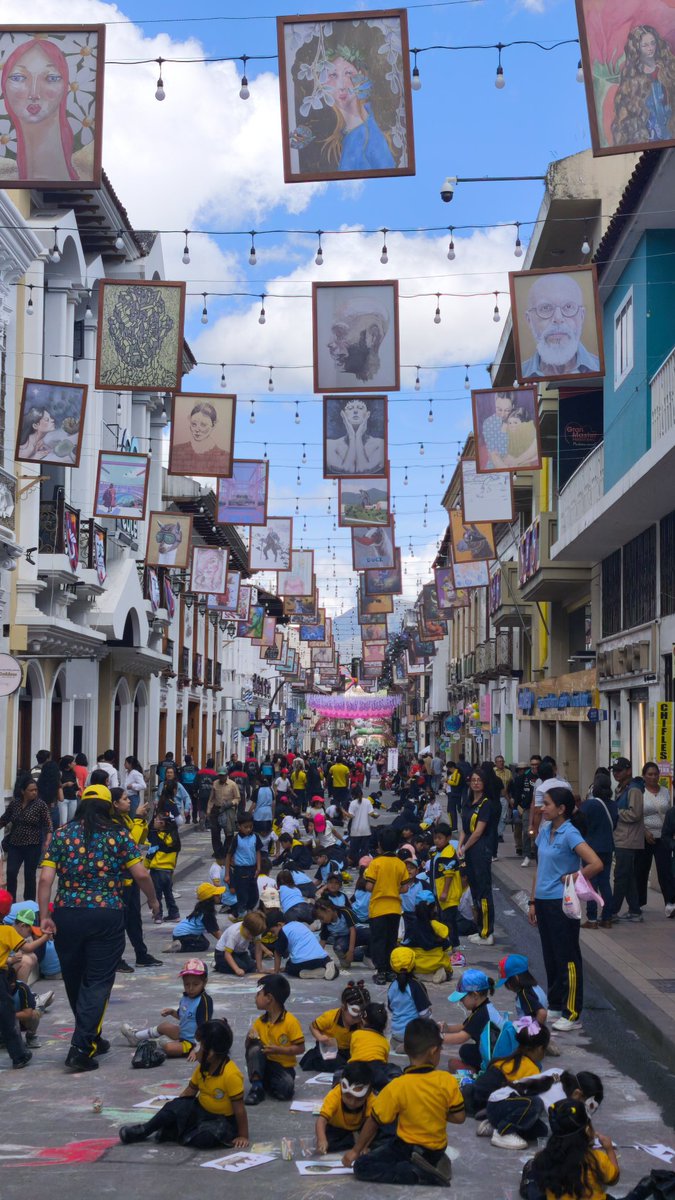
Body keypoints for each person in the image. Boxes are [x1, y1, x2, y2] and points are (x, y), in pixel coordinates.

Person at [37, 784, 160, 1072]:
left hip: (67, 913)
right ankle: (80, 1048)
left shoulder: (62, 834)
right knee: (98, 981)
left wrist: (45, 915)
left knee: (74, 978)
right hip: (106, 914)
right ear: (108, 807)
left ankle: (92, 1035)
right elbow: (140, 873)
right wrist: (153, 901)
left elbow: (44, 880)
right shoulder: (118, 834)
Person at [344, 1016, 465, 1185]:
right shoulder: (447, 1080)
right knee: (392, 1147)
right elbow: (459, 1118)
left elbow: (374, 1120)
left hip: (407, 1147)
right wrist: (435, 1109)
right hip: (436, 1149)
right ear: (433, 1051)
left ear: (406, 1050)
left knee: (363, 1166)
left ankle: (418, 1174)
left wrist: (356, 1150)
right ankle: (434, 1163)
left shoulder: (398, 1085)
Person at [528, 788, 602, 1033]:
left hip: (563, 904)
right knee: (550, 956)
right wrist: (532, 901)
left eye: (547, 804)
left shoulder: (570, 833)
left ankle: (572, 1012)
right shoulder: (545, 830)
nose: (542, 808)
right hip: (543, 901)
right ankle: (557, 1004)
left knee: (567, 957)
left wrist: (575, 876)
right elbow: (539, 868)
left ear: (561, 809)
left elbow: (596, 863)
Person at [119, 1018, 249, 1148]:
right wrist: (176, 1109)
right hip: (201, 1111)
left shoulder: (231, 1074)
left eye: (199, 1046)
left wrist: (243, 1135)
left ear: (211, 1053)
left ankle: (174, 1132)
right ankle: (144, 1130)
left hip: (222, 1120)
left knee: (206, 1139)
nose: (194, 1050)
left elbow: (239, 1109)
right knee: (174, 1107)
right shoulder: (202, 1067)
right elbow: (189, 1092)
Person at [0, 38, 96, 183]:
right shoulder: (5, 174)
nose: (34, 93)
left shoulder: (86, 163)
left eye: (51, 78)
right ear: (4, 86)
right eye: (18, 77)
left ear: (66, 86)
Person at [111, 787, 162, 970]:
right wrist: (139, 819)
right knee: (121, 921)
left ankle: (141, 953)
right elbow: (130, 842)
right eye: (125, 799)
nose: (129, 801)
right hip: (120, 878)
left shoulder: (125, 818)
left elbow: (138, 839)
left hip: (131, 876)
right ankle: (116, 958)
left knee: (134, 918)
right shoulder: (114, 822)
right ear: (115, 804)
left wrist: (142, 821)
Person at [528, 1098, 619, 1200]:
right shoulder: (597, 1158)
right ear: (588, 1130)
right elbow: (613, 1179)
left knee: (532, 1176)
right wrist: (609, 1150)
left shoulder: (543, 1159)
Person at [121, 958, 213, 1057]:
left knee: (169, 1048)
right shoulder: (186, 997)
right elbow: (184, 1017)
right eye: (186, 984)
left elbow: (205, 1028)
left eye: (195, 984)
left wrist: (197, 1049)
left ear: (204, 982)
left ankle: (162, 1043)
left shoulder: (204, 1001)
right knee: (164, 1026)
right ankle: (135, 1037)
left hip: (193, 1042)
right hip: (183, 1033)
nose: (190, 988)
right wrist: (172, 1012)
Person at [521, 273, 601, 379]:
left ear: (581, 316)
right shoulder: (521, 375)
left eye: (568, 306)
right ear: (529, 319)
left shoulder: (603, 367)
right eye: (545, 308)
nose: (558, 318)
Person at [244, 973, 305, 1105]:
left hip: (283, 1067)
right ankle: (256, 1087)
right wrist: (249, 1038)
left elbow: (300, 1048)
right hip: (264, 1063)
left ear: (269, 998)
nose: (255, 998)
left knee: (286, 1089)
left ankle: (265, 1083)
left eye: (258, 994)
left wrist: (279, 1050)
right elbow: (248, 1048)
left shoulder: (290, 1021)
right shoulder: (260, 1022)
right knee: (254, 1049)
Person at [612, 24, 675, 147]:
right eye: (645, 45)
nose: (650, 48)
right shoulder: (632, 80)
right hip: (649, 134)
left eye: (652, 43)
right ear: (637, 48)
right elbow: (626, 114)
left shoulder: (668, 69)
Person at [364, 827, 409, 985]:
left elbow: (369, 886)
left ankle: (381, 971)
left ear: (379, 845)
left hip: (378, 908)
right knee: (391, 940)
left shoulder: (376, 863)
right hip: (395, 908)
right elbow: (405, 888)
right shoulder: (400, 864)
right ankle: (390, 971)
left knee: (378, 940)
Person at [458, 767, 495, 945]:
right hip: (469, 850)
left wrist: (464, 848)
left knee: (483, 891)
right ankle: (480, 928)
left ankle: (487, 932)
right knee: (473, 890)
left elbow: (478, 832)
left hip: (480, 850)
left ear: (484, 782)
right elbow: (464, 829)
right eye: (473, 780)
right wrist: (460, 846)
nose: (476, 783)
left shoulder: (486, 803)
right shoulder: (467, 801)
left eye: (479, 780)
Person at [1, 775, 52, 901]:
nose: (34, 792)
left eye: (35, 790)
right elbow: (4, 819)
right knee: (11, 873)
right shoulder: (15, 804)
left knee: (29, 875)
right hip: (15, 844)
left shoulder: (40, 805)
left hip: (32, 845)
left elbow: (48, 824)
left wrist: (47, 840)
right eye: (31, 790)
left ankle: (29, 904)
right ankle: (10, 902)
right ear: (23, 791)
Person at [300, 980, 370, 1071]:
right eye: (353, 1017)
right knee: (333, 1062)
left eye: (360, 1017)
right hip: (329, 1048)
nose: (357, 1020)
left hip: (348, 1050)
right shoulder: (330, 1017)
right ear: (343, 1007)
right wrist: (320, 1037)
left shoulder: (361, 1022)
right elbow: (313, 1027)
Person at [441, 968, 500, 1071]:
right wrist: (447, 1028)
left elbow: (461, 1037)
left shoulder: (482, 1014)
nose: (461, 1002)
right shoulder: (483, 1007)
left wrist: (437, 1038)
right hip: (495, 1051)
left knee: (462, 1055)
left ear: (475, 995)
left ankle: (478, 1071)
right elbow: (465, 1027)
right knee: (466, 1050)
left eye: (462, 998)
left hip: (495, 1057)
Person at [609, 758, 645, 922]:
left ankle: (612, 910)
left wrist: (616, 812)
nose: (616, 773)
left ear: (629, 771)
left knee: (621, 875)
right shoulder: (620, 789)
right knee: (628, 876)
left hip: (628, 839)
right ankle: (635, 910)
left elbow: (635, 814)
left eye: (619, 770)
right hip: (621, 837)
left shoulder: (634, 790)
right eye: (614, 770)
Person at [636, 761, 673, 912]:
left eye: (655, 774)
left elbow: (669, 813)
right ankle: (638, 904)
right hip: (645, 836)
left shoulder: (665, 791)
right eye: (649, 774)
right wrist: (644, 831)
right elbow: (636, 815)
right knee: (641, 871)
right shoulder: (640, 792)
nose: (653, 777)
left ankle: (670, 903)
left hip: (663, 837)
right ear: (644, 776)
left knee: (665, 871)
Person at [580, 772, 616, 929]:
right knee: (605, 883)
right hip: (608, 847)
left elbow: (581, 823)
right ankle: (607, 917)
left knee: (590, 884)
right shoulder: (613, 805)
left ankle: (592, 918)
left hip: (591, 848)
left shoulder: (589, 804)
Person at [316, 1063, 375, 1154]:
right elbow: (321, 1120)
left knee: (384, 1132)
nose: (352, 1102)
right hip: (337, 1129)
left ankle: (357, 1140)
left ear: (368, 1094)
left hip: (362, 1129)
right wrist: (322, 1140)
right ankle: (354, 1139)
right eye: (348, 1097)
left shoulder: (371, 1099)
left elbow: (372, 1124)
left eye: (359, 1099)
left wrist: (364, 1146)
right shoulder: (335, 1094)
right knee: (329, 1142)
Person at [0, 917, 32, 1068]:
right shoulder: (6, 930)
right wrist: (45, 936)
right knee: (7, 1016)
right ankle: (19, 1055)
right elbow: (28, 949)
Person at [270, 913, 339, 981]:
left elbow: (277, 952)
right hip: (322, 958)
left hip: (303, 963)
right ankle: (330, 967)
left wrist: (276, 971)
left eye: (273, 932)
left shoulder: (283, 931)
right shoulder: (298, 924)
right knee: (328, 964)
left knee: (289, 966)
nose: (273, 935)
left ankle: (311, 973)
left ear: (279, 924)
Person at [170, 400, 230, 474]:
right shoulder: (177, 451)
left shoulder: (224, 457)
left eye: (203, 425)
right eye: (194, 424)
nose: (197, 429)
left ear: (213, 425)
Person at [387, 946, 432, 1043]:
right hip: (413, 1033)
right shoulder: (416, 985)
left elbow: (391, 1008)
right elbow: (424, 1014)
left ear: (392, 966)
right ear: (414, 964)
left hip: (396, 1032)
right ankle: (411, 1046)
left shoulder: (392, 986)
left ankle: (399, 1043)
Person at [429, 822, 461, 950]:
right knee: (442, 919)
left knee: (449, 921)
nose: (437, 841)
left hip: (448, 895)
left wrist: (445, 892)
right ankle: (446, 944)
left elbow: (449, 874)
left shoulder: (448, 853)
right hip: (439, 892)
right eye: (435, 837)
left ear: (448, 838)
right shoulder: (438, 852)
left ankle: (454, 945)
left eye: (440, 838)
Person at [145, 811, 181, 924]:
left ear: (162, 823)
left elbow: (150, 853)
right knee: (168, 893)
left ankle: (158, 915)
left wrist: (144, 866)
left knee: (157, 894)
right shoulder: (174, 838)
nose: (154, 821)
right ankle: (174, 914)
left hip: (157, 870)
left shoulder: (157, 837)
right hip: (169, 870)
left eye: (156, 820)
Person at [225, 814, 262, 915]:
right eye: (246, 827)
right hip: (241, 870)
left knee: (254, 894)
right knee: (242, 894)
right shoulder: (236, 839)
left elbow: (258, 851)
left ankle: (248, 910)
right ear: (239, 826)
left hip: (253, 868)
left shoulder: (255, 837)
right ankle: (241, 913)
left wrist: (258, 867)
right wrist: (227, 874)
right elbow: (229, 855)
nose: (249, 829)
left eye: (250, 826)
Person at [495, 954, 548, 1025]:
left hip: (529, 1031)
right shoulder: (534, 987)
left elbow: (542, 1013)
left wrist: (535, 1030)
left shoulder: (525, 993)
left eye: (507, 983)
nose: (507, 987)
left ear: (516, 978)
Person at [170, 884, 223, 953]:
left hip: (178, 933)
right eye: (217, 895)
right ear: (210, 898)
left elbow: (212, 929)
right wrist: (227, 944)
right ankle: (180, 947)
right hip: (183, 935)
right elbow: (216, 932)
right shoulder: (207, 913)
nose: (220, 896)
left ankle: (181, 943)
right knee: (204, 944)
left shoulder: (202, 908)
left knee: (204, 941)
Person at [214, 911, 266, 976]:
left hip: (239, 952)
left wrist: (260, 968)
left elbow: (258, 950)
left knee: (251, 967)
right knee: (242, 967)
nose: (251, 937)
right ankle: (219, 966)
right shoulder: (234, 933)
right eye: (249, 934)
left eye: (253, 936)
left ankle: (233, 965)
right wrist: (236, 969)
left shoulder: (256, 931)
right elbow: (227, 954)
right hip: (222, 953)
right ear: (244, 926)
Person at [206, 766, 240, 856]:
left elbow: (237, 798)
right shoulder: (215, 784)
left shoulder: (232, 784)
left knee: (229, 832)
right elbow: (211, 799)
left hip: (228, 809)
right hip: (216, 809)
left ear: (226, 775)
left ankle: (226, 850)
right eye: (219, 776)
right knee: (215, 832)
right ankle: (218, 850)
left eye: (223, 776)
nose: (221, 777)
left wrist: (231, 803)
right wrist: (208, 810)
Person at [346, 786, 378, 864]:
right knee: (364, 848)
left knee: (354, 847)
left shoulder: (352, 803)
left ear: (353, 795)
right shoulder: (367, 801)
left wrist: (343, 811)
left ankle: (353, 862)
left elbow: (350, 816)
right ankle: (363, 862)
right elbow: (372, 814)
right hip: (365, 828)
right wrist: (376, 815)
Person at [59, 756, 79, 825]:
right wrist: (65, 784)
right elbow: (57, 786)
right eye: (73, 762)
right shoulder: (60, 773)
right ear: (68, 764)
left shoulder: (73, 773)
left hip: (73, 798)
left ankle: (68, 835)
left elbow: (76, 785)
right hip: (63, 799)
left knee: (71, 820)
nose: (75, 763)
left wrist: (77, 788)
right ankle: (61, 834)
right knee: (63, 821)